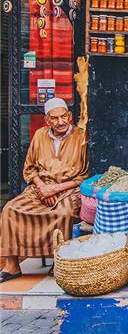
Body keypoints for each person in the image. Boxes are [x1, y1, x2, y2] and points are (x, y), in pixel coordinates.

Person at [0, 98, 88, 283]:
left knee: (63, 213)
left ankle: (59, 260)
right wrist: (42, 188)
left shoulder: (81, 137)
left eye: (64, 117)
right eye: (54, 118)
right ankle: (12, 265)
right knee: (10, 209)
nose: (60, 122)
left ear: (70, 116)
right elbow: (30, 168)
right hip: (40, 188)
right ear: (47, 121)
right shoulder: (40, 135)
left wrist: (54, 189)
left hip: (68, 189)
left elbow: (84, 176)